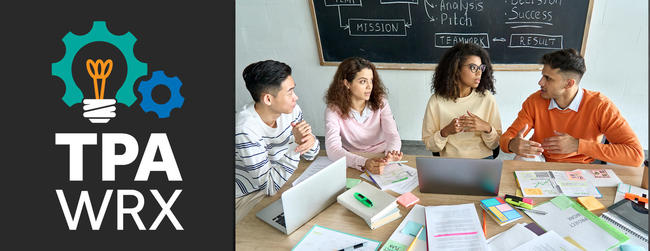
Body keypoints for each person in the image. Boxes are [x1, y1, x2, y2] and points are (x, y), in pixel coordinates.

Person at [499, 48, 644, 167]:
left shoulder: (601, 105)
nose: (540, 82)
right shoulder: (535, 101)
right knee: (522, 159)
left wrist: (578, 145)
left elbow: (636, 155)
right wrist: (512, 144)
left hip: (583, 168)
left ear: (569, 84)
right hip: (542, 162)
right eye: (542, 76)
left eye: (548, 78)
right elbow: (506, 138)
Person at [235, 60, 320, 224]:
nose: (296, 97)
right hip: (247, 194)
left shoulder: (291, 110)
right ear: (268, 99)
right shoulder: (245, 129)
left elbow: (311, 154)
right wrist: (297, 145)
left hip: (280, 177)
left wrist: (306, 141)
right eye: (290, 92)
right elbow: (269, 187)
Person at [421, 42, 502, 159]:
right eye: (473, 67)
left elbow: (495, 144)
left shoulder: (487, 98)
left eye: (481, 68)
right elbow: (431, 146)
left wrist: (486, 128)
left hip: (483, 161)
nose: (479, 73)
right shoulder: (436, 101)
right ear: (456, 69)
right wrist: (445, 132)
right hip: (451, 162)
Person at [324, 57, 403, 175]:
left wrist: (390, 155)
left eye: (371, 80)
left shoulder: (381, 102)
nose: (369, 86)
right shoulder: (333, 110)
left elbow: (392, 135)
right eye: (363, 81)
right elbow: (332, 150)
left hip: (382, 154)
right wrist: (364, 162)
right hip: (352, 158)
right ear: (347, 83)